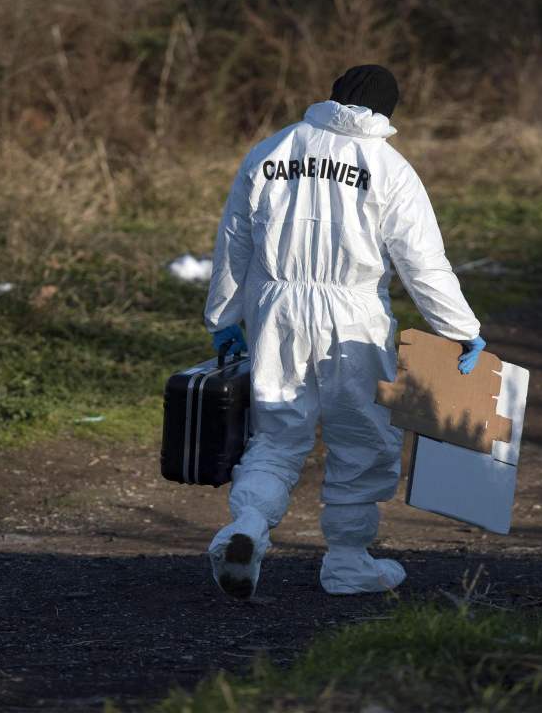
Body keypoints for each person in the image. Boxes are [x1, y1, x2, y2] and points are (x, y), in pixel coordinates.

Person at [204, 64, 485, 598]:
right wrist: (460, 329)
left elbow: (234, 241)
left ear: (331, 97)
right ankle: (348, 564)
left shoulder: (272, 150)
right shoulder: (389, 167)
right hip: (352, 315)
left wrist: (222, 318)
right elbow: (422, 262)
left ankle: (247, 527)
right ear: (386, 111)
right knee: (361, 439)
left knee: (277, 435)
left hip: (275, 310)